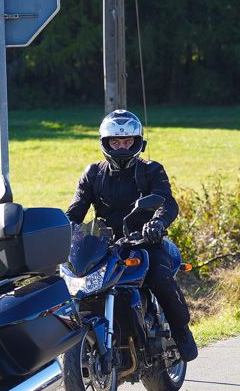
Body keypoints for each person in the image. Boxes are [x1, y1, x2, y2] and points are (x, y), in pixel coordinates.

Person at [65, 109, 198, 362]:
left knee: (160, 278)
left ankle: (180, 330)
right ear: (105, 143)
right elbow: (75, 210)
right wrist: (60, 231)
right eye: (115, 142)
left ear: (138, 142)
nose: (121, 147)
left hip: (145, 242)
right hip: (104, 245)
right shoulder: (93, 173)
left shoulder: (151, 170)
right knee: (72, 283)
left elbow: (167, 202)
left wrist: (157, 223)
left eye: (127, 142)